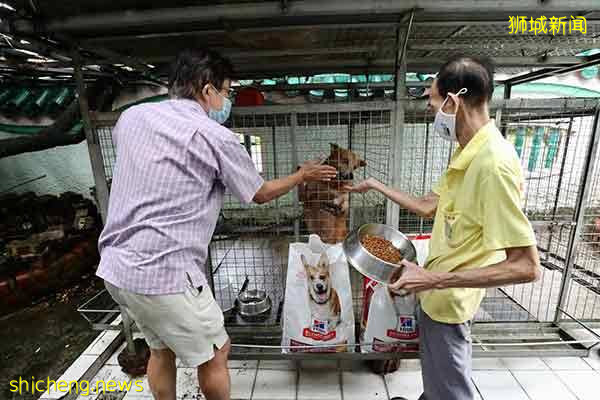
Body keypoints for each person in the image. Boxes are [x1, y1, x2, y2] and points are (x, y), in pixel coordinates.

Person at [96, 48, 337, 400]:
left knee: (161, 350)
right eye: (227, 92)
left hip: (117, 267)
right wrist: (303, 174)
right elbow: (259, 192)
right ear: (208, 90)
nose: (227, 100)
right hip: (165, 273)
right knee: (216, 353)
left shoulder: (132, 118)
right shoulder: (213, 135)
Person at [346, 55, 540, 400]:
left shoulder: (493, 165)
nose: (430, 109)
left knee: (453, 388)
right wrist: (376, 185)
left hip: (450, 300)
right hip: (435, 294)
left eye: (432, 101)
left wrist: (432, 278)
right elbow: (426, 206)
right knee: (435, 374)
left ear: (453, 101)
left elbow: (526, 266)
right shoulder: (466, 152)